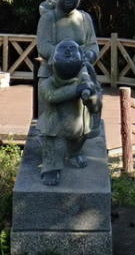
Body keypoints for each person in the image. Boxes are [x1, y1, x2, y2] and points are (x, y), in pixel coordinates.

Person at [36, 0, 101, 136]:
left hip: (81, 72)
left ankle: (78, 146)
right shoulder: (49, 18)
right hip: (53, 73)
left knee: (84, 116)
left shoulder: (84, 18)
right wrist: (64, 57)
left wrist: (89, 55)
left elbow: (92, 45)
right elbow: (43, 45)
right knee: (53, 121)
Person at [37, 39, 101, 186]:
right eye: (64, 50)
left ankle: (74, 154)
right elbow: (51, 96)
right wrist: (76, 90)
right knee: (51, 143)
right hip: (55, 124)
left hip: (78, 124)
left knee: (78, 139)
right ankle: (51, 167)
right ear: (54, 62)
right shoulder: (48, 83)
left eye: (72, 49)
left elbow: (96, 104)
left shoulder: (83, 79)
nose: (67, 52)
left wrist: (91, 95)